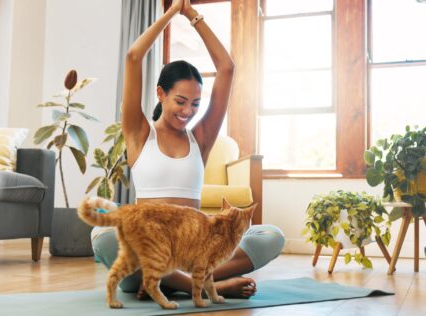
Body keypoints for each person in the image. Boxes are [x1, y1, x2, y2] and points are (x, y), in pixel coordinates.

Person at [91, 0, 284, 299]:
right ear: (160, 93)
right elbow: (132, 57)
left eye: (195, 104)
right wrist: (169, 14)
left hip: (192, 252)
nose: (188, 111)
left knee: (271, 236)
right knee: (103, 239)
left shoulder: (201, 139)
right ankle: (210, 286)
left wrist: (193, 16)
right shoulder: (140, 135)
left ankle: (170, 282)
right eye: (180, 101)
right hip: (146, 251)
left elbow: (226, 68)